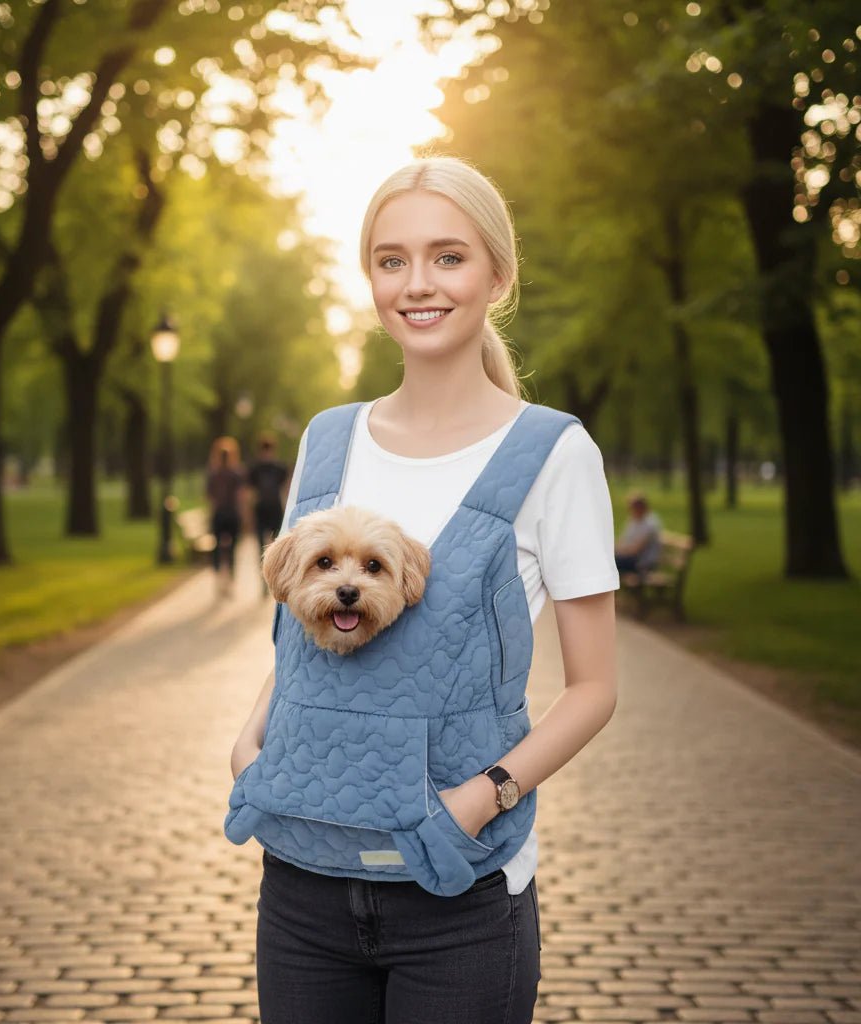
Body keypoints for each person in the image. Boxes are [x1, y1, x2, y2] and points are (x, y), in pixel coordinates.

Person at [226, 156, 619, 1023]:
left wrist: (480, 802)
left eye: (448, 256)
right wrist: (249, 746)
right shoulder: (327, 441)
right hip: (301, 888)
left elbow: (594, 689)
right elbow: (296, 636)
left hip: (461, 901)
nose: (417, 284)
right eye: (391, 260)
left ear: (497, 275)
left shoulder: (554, 453)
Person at [247, 434, 289, 595]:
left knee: (277, 548)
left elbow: (285, 490)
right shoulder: (255, 469)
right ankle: (263, 581)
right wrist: (248, 516)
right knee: (260, 547)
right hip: (260, 510)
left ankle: (276, 579)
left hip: (276, 510)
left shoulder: (279, 468)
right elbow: (250, 493)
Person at [205, 436, 246, 598]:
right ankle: (229, 580)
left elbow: (210, 498)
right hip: (232, 514)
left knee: (217, 548)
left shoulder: (213, 474)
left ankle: (219, 579)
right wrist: (245, 516)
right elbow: (240, 497)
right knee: (232, 549)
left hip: (219, 514)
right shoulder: (236, 473)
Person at [615, 492, 663, 576]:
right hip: (631, 559)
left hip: (642, 564)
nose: (629, 510)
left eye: (631, 507)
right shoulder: (634, 520)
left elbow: (636, 550)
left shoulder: (650, 524)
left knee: (609, 564)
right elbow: (623, 541)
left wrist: (618, 551)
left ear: (640, 507)